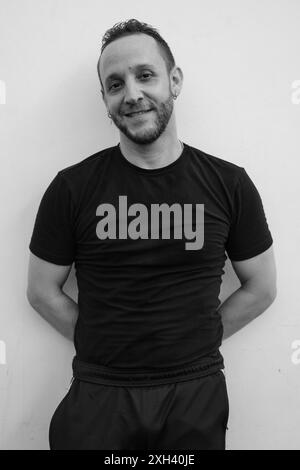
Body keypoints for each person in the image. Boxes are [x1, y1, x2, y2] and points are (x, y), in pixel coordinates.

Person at [26, 18, 277, 450]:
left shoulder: (229, 183)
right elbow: (42, 291)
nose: (132, 94)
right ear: (105, 98)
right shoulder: (72, 187)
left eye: (145, 76)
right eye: (115, 84)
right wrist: (108, 342)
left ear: (174, 81)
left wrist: (195, 341)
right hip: (100, 389)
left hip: (194, 390)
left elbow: (262, 287)